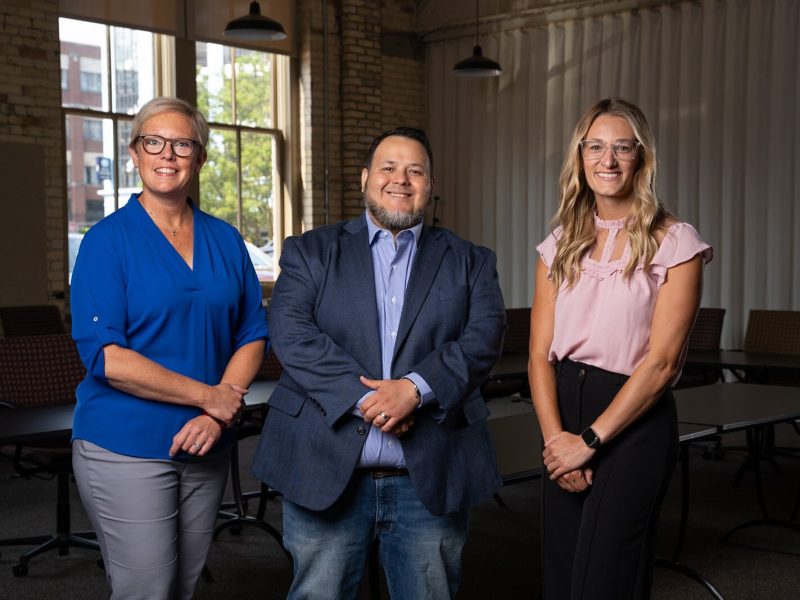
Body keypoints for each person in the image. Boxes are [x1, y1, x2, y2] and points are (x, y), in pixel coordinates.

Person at [250, 127, 506, 599]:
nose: (400, 179)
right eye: (388, 167)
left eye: (415, 170)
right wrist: (371, 398)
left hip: (429, 473)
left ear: (430, 185)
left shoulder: (471, 261)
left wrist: (414, 390)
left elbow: (483, 338)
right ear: (366, 178)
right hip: (323, 466)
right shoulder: (310, 252)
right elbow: (292, 334)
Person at [70, 96, 268, 600]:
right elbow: (109, 359)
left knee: (181, 586)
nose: (168, 155)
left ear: (200, 158)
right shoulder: (106, 242)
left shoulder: (226, 240)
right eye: (153, 142)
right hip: (126, 444)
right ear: (134, 154)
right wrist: (211, 398)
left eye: (183, 144)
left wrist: (219, 409)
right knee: (147, 589)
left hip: (208, 440)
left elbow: (252, 333)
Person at [529, 98, 713, 599]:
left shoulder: (676, 243)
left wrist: (587, 442)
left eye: (622, 148)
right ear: (580, 156)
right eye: (595, 147)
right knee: (564, 579)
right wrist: (556, 443)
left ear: (641, 158)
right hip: (564, 412)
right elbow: (538, 356)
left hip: (633, 419)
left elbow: (663, 364)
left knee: (604, 581)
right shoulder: (560, 242)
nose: (607, 161)